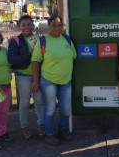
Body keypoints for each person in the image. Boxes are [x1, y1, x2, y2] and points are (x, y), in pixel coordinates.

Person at [32, 15, 77, 146]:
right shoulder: (42, 41)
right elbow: (35, 61)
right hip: (48, 81)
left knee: (66, 109)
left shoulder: (67, 40)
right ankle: (50, 134)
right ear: (48, 26)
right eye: (54, 25)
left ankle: (63, 131)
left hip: (66, 81)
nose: (57, 28)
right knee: (50, 108)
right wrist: (35, 81)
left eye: (59, 25)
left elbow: (73, 56)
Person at [7, 15, 45, 139]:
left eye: (29, 24)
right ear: (19, 26)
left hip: (38, 75)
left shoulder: (40, 40)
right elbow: (11, 59)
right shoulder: (15, 41)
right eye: (23, 25)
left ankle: (41, 124)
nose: (27, 27)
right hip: (23, 75)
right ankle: (25, 126)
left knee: (39, 101)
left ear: (33, 26)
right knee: (24, 102)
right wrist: (29, 55)